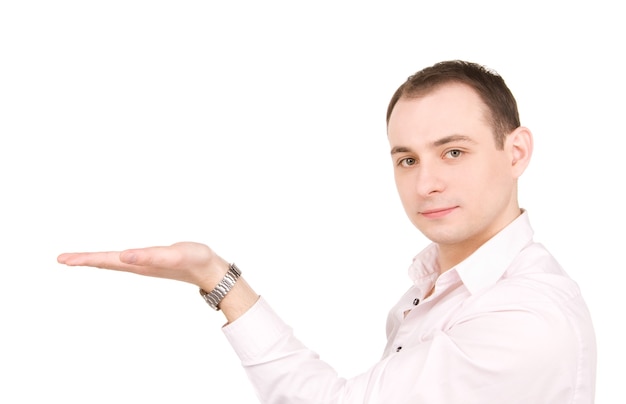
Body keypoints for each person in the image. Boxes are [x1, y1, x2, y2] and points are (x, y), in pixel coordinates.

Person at [57, 60, 597, 403]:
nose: (426, 182)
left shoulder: (524, 317)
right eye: (406, 160)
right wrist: (213, 274)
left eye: (453, 152)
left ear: (516, 152)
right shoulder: (436, 286)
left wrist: (217, 278)